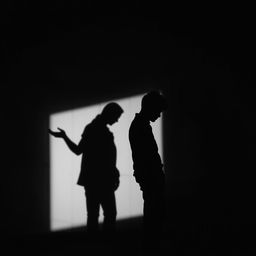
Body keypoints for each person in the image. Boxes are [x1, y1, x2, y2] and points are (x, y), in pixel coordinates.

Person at [49, 102, 124, 235]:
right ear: (110, 114)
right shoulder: (95, 129)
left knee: (95, 214)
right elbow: (82, 151)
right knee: (107, 214)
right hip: (101, 180)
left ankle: (96, 246)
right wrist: (64, 137)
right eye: (116, 116)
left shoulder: (93, 128)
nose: (117, 120)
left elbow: (79, 150)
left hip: (95, 180)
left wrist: (64, 137)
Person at [128, 91, 167, 252]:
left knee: (152, 214)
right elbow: (146, 156)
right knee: (153, 215)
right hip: (151, 178)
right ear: (151, 107)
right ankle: (151, 247)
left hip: (150, 177)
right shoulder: (140, 127)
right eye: (158, 110)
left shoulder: (139, 125)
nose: (159, 115)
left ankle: (151, 246)